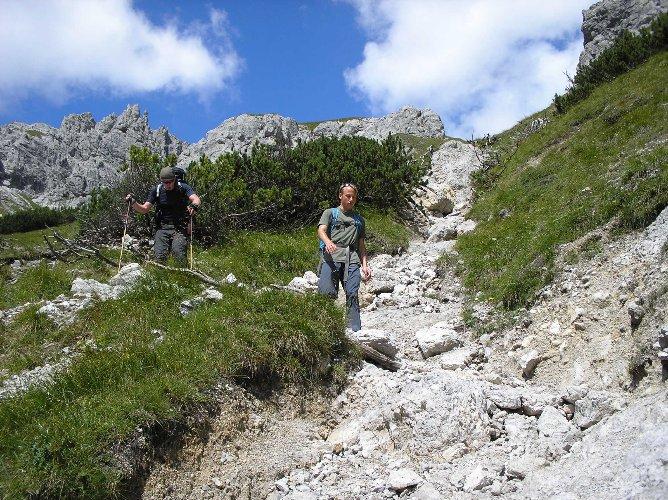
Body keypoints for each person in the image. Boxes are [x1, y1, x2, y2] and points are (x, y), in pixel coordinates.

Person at [317, 182, 372, 332]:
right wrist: (328, 242)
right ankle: (325, 328)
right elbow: (321, 230)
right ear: (340, 196)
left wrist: (365, 265)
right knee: (326, 293)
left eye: (353, 197)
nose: (351, 199)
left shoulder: (359, 220)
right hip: (331, 257)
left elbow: (361, 245)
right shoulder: (330, 213)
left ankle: (354, 329)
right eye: (348, 196)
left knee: (352, 292)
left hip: (352, 258)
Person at [125, 167, 201, 262]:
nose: (168, 184)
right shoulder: (156, 190)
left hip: (180, 227)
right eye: (165, 182)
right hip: (162, 228)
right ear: (161, 181)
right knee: (160, 257)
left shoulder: (183, 187)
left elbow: (196, 199)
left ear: (175, 179)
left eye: (171, 181)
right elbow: (144, 209)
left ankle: (182, 271)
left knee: (179, 254)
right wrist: (133, 202)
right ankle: (161, 271)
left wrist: (194, 206)